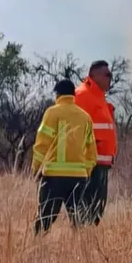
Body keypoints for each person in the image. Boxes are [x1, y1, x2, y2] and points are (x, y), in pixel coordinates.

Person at [31, 79, 97, 234]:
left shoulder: (52, 112)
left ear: (57, 94)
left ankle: (36, 248)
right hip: (78, 177)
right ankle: (80, 252)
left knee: (44, 219)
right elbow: (92, 151)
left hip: (54, 176)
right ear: (73, 94)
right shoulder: (85, 117)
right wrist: (86, 171)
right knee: (78, 221)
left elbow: (41, 144)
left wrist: (36, 168)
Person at [74, 60, 118, 225]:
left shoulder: (99, 98)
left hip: (102, 164)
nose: (110, 78)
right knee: (85, 208)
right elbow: (74, 129)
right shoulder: (82, 95)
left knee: (97, 210)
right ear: (95, 75)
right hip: (88, 163)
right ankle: (80, 242)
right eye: (107, 75)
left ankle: (88, 241)